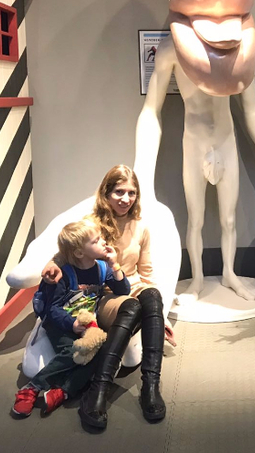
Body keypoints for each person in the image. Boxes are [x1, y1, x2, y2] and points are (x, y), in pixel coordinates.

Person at [41, 165, 172, 428]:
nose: (126, 199)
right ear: (106, 193)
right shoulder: (92, 223)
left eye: (132, 193)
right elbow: (68, 249)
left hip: (132, 286)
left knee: (152, 296)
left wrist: (160, 315)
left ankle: (151, 386)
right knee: (132, 307)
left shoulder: (140, 226)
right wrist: (51, 263)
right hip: (104, 292)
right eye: (119, 192)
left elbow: (146, 272)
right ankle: (99, 388)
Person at [12, 219, 129, 418]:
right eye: (96, 241)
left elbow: (123, 290)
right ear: (79, 253)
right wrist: (71, 324)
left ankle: (63, 391)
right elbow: (53, 308)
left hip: (87, 324)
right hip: (60, 324)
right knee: (73, 351)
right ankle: (32, 388)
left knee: (99, 355)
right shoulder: (63, 274)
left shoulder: (102, 268)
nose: (103, 242)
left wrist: (115, 265)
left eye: (100, 238)